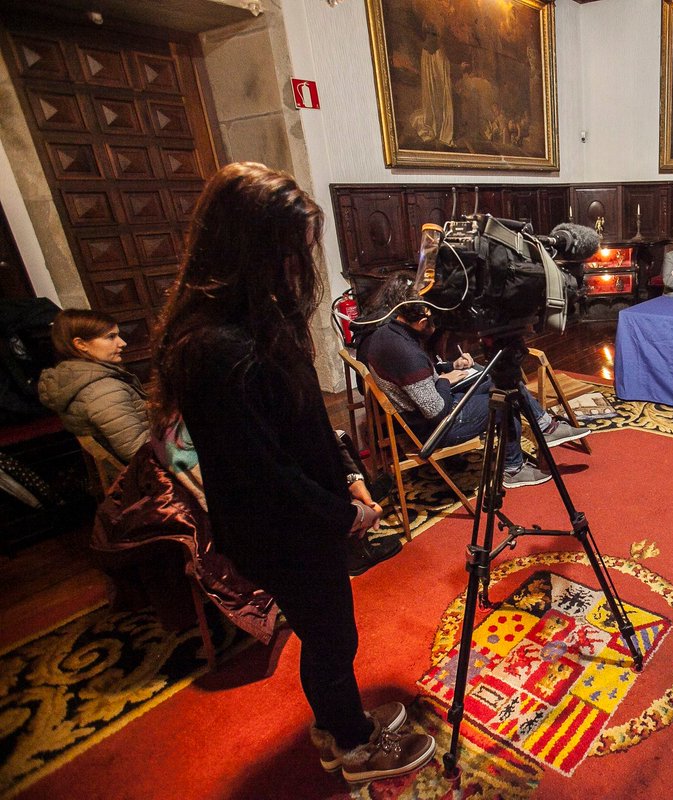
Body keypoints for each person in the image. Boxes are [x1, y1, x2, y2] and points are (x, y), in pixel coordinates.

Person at [152, 162, 436, 783]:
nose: (297, 266)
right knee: (331, 637)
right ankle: (349, 743)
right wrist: (346, 514)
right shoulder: (213, 347)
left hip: (302, 512)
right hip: (278, 527)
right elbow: (264, 474)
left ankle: (340, 719)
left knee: (332, 629)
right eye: (289, 250)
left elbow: (303, 418)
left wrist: (347, 470)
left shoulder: (259, 316)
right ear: (249, 248)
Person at [357, 275, 589, 490]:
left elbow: (420, 379)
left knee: (496, 376)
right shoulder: (405, 352)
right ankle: (513, 468)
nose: (436, 326)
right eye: (434, 321)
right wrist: (446, 381)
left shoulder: (387, 333)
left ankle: (544, 425)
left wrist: (450, 367)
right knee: (505, 399)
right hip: (432, 428)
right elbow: (435, 410)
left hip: (419, 410)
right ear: (421, 319)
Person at [38, 309, 148, 463]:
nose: (123, 343)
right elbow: (138, 450)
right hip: (150, 469)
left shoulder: (73, 377)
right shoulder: (103, 391)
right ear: (81, 344)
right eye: (111, 337)